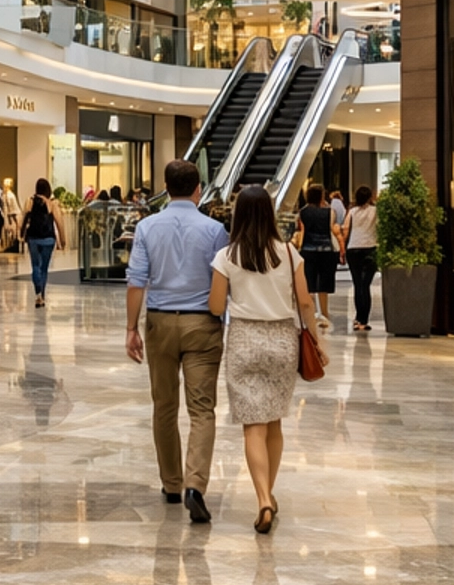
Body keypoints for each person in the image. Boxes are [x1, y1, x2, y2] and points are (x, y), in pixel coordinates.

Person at [125, 156, 229, 523]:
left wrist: (131, 328)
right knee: (202, 409)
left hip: (160, 323)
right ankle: (195, 485)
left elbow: (137, 280)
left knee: (164, 406)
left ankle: (171, 483)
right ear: (198, 190)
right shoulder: (215, 230)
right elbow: (222, 282)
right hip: (203, 323)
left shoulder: (148, 227)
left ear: (165, 190)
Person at [210, 184, 318, 535]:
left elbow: (215, 305)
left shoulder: (227, 256)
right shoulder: (289, 253)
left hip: (244, 340)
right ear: (271, 214)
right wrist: (317, 342)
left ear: (238, 214)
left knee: (252, 425)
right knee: (274, 422)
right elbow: (305, 303)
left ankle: (263, 499)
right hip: (282, 341)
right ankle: (267, 493)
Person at [292, 182, 341, 336]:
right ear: (321, 196)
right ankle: (325, 314)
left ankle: (311, 314)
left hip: (308, 249)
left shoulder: (303, 212)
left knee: (309, 284)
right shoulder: (330, 212)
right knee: (324, 285)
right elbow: (331, 229)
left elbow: (303, 231)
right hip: (327, 250)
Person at [22, 177, 65, 306]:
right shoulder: (51, 204)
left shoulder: (29, 201)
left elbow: (24, 218)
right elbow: (59, 223)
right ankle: (43, 295)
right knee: (44, 268)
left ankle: (37, 295)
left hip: (33, 238)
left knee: (35, 265)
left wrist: (21, 233)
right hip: (48, 239)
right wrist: (63, 239)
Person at [343, 183, 378, 333]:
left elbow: (345, 230)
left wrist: (342, 249)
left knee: (358, 285)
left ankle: (358, 319)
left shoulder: (352, 212)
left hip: (354, 248)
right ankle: (364, 320)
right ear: (370, 197)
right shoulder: (376, 211)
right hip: (371, 248)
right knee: (366, 285)